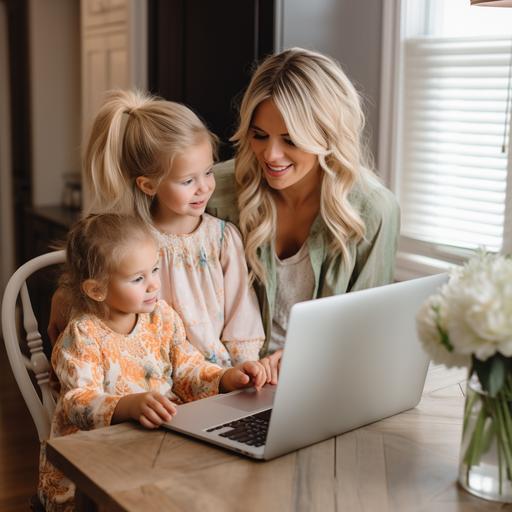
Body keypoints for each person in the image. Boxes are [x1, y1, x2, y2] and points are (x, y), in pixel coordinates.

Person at [39, 213, 267, 512]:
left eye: (155, 270)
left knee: (215, 483)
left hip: (157, 444)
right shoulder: (84, 334)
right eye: (138, 278)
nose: (153, 285)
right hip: (97, 459)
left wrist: (227, 378)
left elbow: (188, 369)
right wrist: (128, 406)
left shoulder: (161, 317)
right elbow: (78, 402)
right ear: (97, 290)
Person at [206, 47, 400, 372]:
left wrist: (306, 358)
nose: (271, 155)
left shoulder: (373, 210)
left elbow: (366, 335)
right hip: (228, 382)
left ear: (328, 136)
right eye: (259, 135)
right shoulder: (215, 192)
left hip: (325, 381)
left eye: (291, 140)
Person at [50, 89, 265, 370]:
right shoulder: (132, 243)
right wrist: (64, 294)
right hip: (151, 377)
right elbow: (102, 308)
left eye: (209, 172)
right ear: (148, 185)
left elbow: (242, 314)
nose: (204, 188)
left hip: (215, 377)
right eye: (188, 181)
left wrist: (246, 366)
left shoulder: (223, 239)